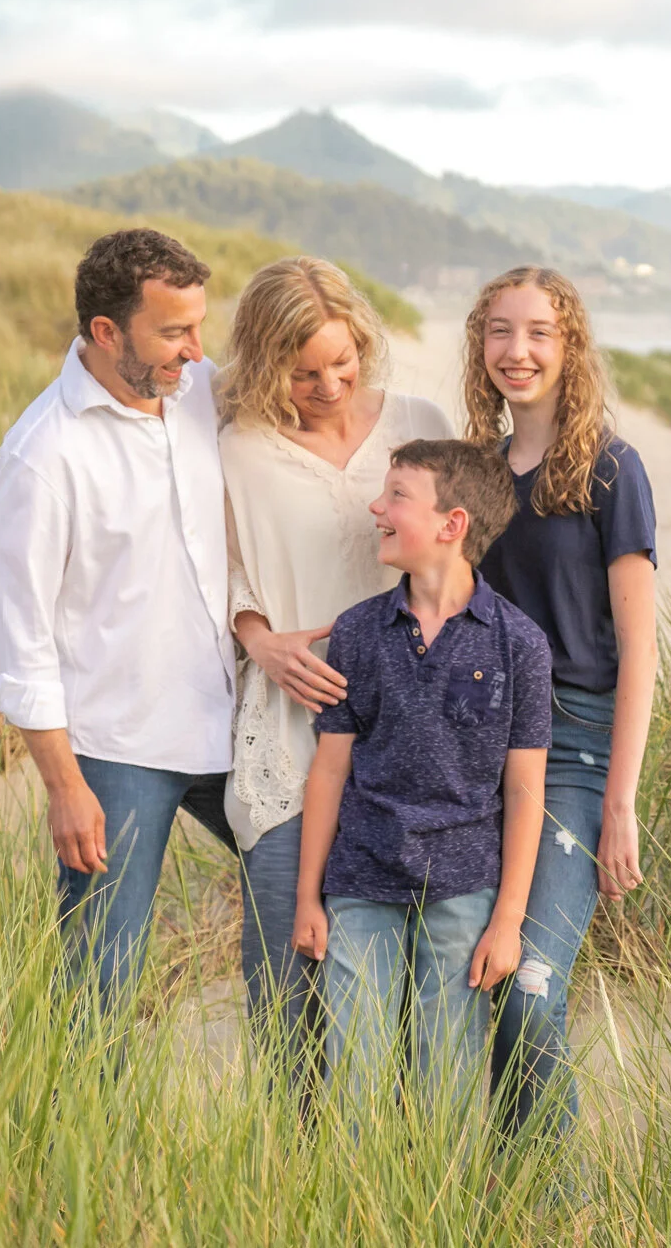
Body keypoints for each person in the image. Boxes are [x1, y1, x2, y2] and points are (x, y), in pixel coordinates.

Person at [0, 228, 239, 1010]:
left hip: (239, 722)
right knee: (100, 978)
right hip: (119, 748)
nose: (197, 350)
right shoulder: (44, 455)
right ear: (105, 332)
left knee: (324, 896)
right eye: (173, 332)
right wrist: (64, 785)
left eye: (199, 326)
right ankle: (81, 1127)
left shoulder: (199, 391)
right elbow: (19, 643)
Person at [217, 256, 454, 1075]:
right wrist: (258, 637)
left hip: (412, 747)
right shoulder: (238, 449)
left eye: (343, 364)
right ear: (263, 360)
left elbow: (462, 554)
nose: (328, 385)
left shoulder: (418, 421)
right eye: (303, 370)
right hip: (291, 736)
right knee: (287, 981)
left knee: (412, 990)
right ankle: (293, 1178)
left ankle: (399, 1167)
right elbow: (217, 567)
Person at [291, 440, 551, 1118]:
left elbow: (524, 790)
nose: (377, 506)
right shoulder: (358, 631)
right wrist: (307, 897)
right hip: (360, 880)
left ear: (452, 523)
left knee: (449, 1082)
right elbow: (330, 768)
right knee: (356, 1075)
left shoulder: (518, 643)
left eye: (397, 495)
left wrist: (508, 921)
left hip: (465, 889)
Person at [462, 266, 658, 1140]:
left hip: (576, 751)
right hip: (480, 749)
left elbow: (640, 649)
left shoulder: (612, 470)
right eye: (501, 331)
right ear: (481, 344)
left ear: (569, 344)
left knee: (531, 988)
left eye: (539, 331)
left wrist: (621, 801)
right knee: (484, 980)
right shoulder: (477, 475)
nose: (518, 350)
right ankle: (512, 1195)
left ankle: (559, 1206)